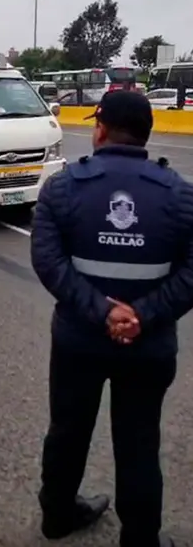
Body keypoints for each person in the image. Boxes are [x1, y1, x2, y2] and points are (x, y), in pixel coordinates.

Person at [30, 90, 193, 547]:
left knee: (68, 429)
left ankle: (58, 516)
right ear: (147, 132)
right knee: (139, 443)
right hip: (149, 345)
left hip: (78, 341)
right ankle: (141, 539)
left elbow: (47, 259)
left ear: (99, 128)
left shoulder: (63, 187)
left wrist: (100, 312)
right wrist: (141, 315)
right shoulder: (180, 194)